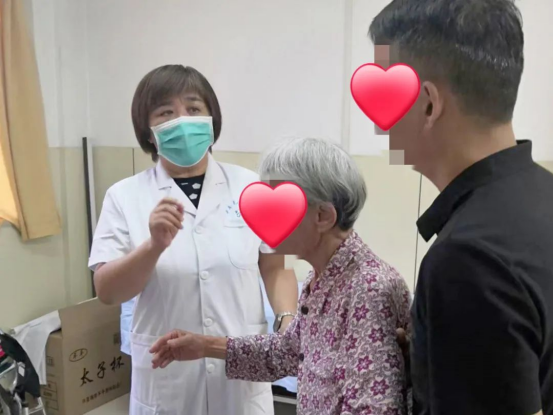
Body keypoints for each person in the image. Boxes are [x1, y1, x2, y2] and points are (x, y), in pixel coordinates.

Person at [369, 1, 553, 414]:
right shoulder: (542, 197)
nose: (379, 123)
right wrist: (433, 355)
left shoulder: (468, 259)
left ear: (427, 104)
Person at [88, 65, 299, 415]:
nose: (183, 120)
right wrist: (153, 247)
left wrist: (287, 321)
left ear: (211, 119)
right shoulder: (124, 196)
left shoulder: (251, 187)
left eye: (193, 108)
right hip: (168, 382)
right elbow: (108, 292)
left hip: (240, 376)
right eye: (166, 112)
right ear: (148, 131)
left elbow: (276, 267)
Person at [150, 137, 413, 415]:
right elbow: (287, 352)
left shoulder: (368, 289)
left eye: (279, 207)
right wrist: (205, 346)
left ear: (323, 216)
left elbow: (374, 409)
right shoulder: (322, 278)